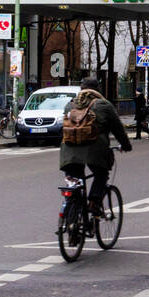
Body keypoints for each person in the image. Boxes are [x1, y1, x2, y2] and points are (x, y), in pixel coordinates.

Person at [60, 76, 132, 217]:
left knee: (74, 181)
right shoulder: (104, 105)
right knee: (101, 174)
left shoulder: (69, 105)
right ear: (98, 89)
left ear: (81, 89)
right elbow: (118, 130)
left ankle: (71, 213)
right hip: (96, 151)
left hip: (69, 153)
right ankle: (94, 202)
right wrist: (126, 145)